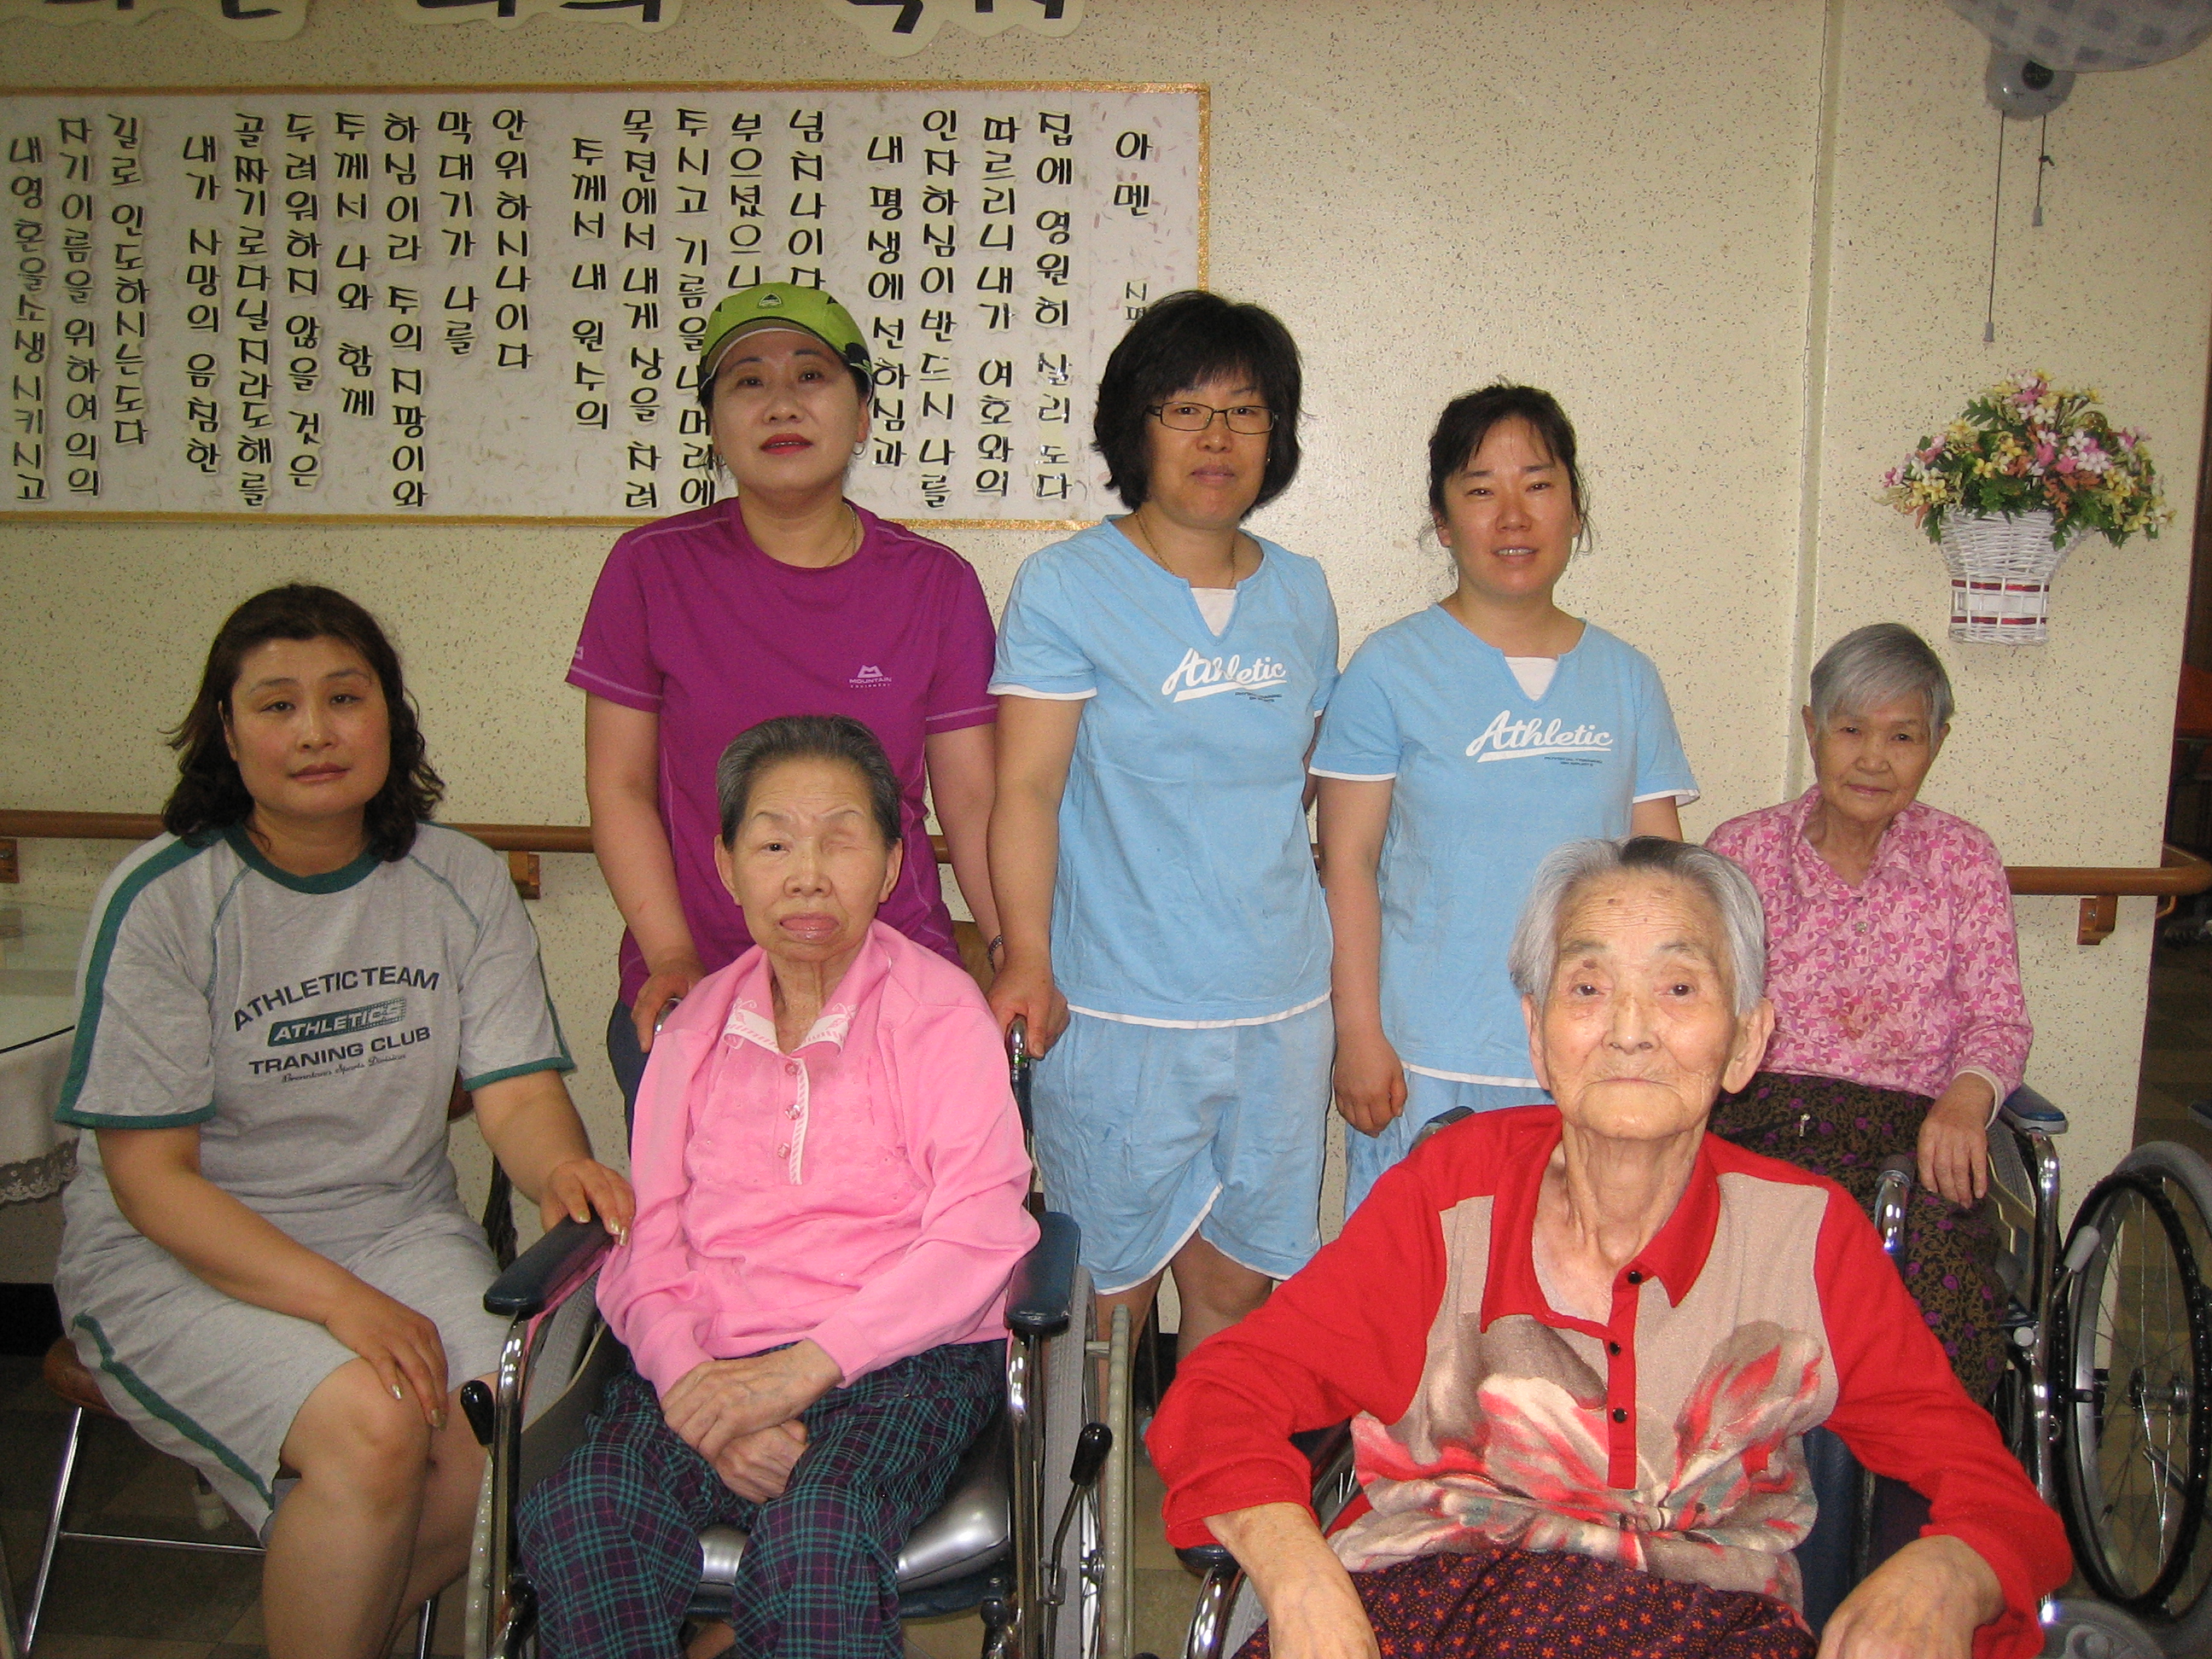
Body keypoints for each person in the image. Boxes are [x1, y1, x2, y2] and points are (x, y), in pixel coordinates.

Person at [1148, 836, 2068, 1659]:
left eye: (1678, 989)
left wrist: (1948, 1573)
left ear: (1746, 1042)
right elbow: (1225, 1393)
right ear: (1536, 1036)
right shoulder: (1450, 1196)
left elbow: (1990, 1488)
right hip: (1429, 1605)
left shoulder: (1808, 1236)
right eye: (1587, 989)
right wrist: (1299, 1575)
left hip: (1703, 1625)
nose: (1629, 1031)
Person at [52, 585, 633, 1659]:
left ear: (391, 719)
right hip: (175, 1251)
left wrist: (561, 1170)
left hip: (395, 1226)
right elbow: (151, 1181)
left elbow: (514, 1092)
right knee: (374, 1423)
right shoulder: (166, 899)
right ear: (227, 733)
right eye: (277, 705)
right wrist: (343, 1305)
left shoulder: (459, 879)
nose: (315, 731)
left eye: (345, 698)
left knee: (508, 1419)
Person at [517, 714, 1038, 1659]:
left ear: (891, 866)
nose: (807, 874)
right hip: (710, 1360)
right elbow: (647, 1245)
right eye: (773, 844)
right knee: (584, 1511)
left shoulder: (938, 1013)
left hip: (896, 1362)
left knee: (816, 1543)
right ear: (726, 866)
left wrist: (803, 1370)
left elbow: (979, 1235)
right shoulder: (692, 1031)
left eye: (841, 839)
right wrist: (696, 1393)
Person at [987, 289, 1338, 1351]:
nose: (1217, 437)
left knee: (1236, 1289)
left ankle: (1211, 1466)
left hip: (1279, 1005)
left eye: (1245, 411)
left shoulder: (1303, 593)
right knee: (1106, 1299)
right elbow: (1026, 789)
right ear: (1135, 425)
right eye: (1186, 409)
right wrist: (1027, 954)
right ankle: (1091, 1476)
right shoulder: (1066, 586)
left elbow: (1300, 778)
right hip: (1118, 1010)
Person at [569, 282, 1001, 1112]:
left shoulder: (933, 584)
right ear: (712, 421)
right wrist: (669, 955)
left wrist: (1012, 948)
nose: (781, 404)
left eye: (811, 375)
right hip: (700, 989)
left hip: (894, 993)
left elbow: (973, 800)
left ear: (862, 413)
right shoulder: (650, 569)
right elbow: (619, 787)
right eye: (748, 382)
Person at [1313, 384, 1697, 1214]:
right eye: (1482, 489)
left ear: (1575, 508)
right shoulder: (1391, 668)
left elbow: (1665, 882)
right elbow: (1349, 863)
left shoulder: (1627, 678)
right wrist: (1359, 1033)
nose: (1513, 517)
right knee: (1419, 1282)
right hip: (1425, 1058)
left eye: (1539, 484)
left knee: (1573, 1277)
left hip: (1593, 1056)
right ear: (1444, 520)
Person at [1705, 623, 2028, 1399]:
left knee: (1934, 1270)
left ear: (1937, 743)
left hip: (1909, 1140)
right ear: (1812, 729)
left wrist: (1967, 1099)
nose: (1874, 759)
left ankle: (1932, 1462)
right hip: (1760, 1125)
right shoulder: (1741, 852)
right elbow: (1695, 1005)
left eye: (1903, 736)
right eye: (1851, 729)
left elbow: (1998, 1019)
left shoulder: (1963, 860)